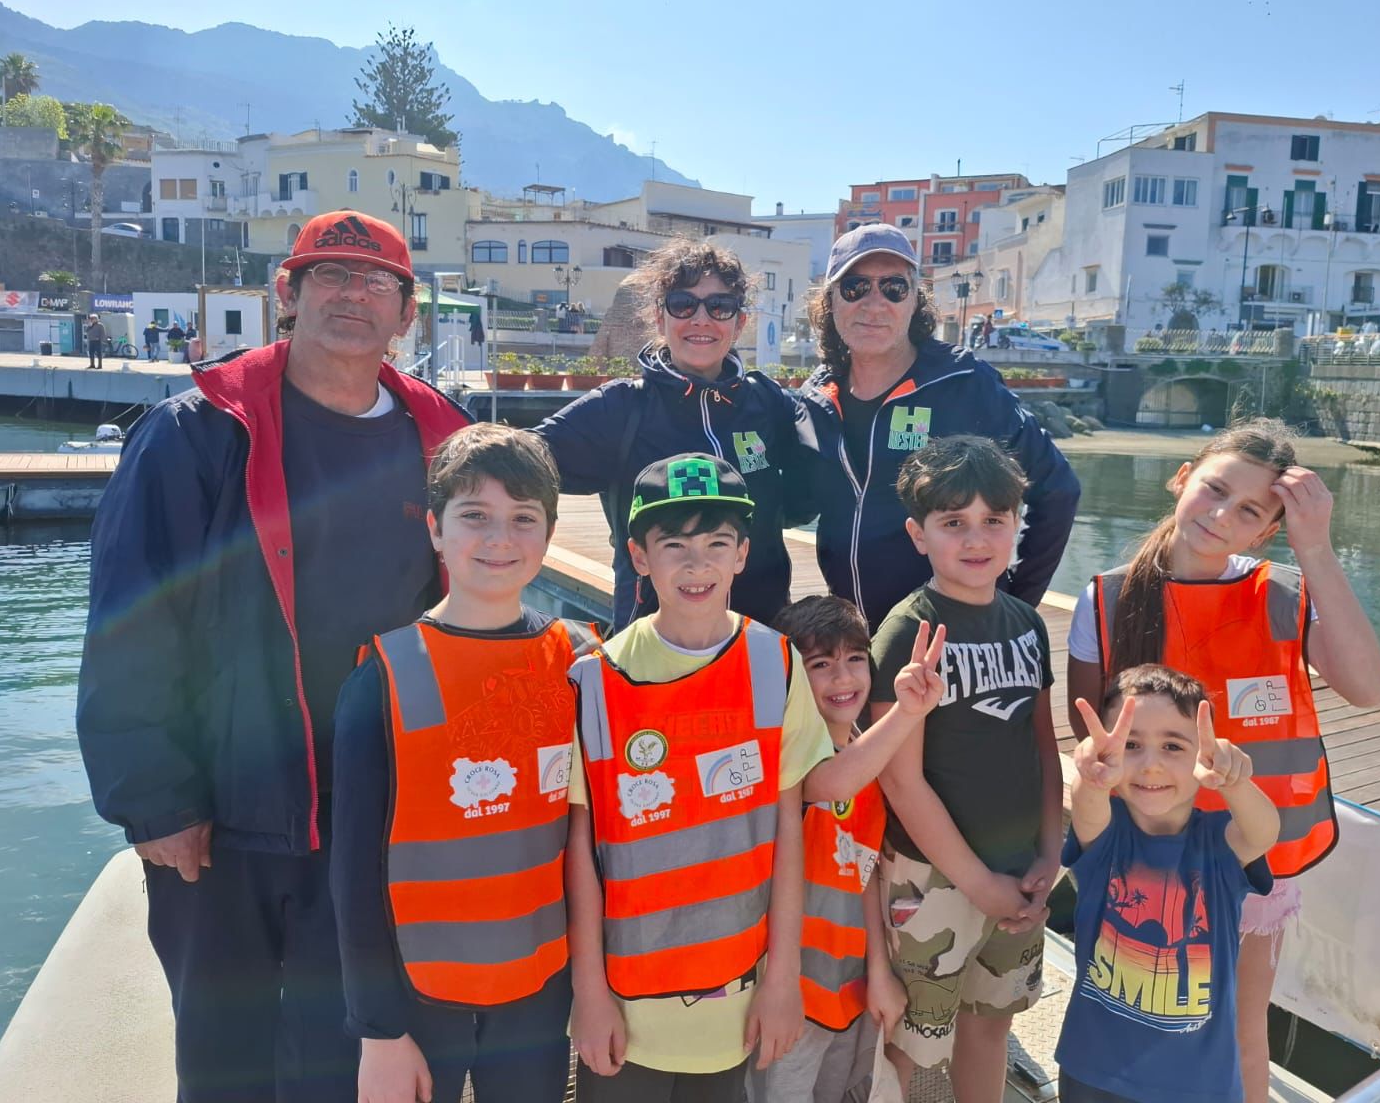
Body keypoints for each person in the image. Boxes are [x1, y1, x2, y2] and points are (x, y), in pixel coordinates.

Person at [76, 209, 469, 1102]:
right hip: (222, 814)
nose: (351, 295)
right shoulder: (197, 432)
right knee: (225, 1059)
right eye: (329, 275)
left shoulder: (444, 438)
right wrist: (155, 802)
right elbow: (128, 622)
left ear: (406, 314)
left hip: (373, 815)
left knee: (345, 1053)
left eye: (376, 283)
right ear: (286, 295)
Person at [564, 454, 933, 1103]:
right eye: (673, 545)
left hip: (738, 993)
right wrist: (588, 993)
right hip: (627, 994)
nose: (696, 564)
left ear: (742, 554)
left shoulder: (774, 662)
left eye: (716, 544)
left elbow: (795, 821)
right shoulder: (597, 678)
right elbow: (582, 850)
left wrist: (782, 981)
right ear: (638, 556)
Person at [1063, 417, 1380, 1103]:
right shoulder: (1108, 597)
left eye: (1249, 511)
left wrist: (1318, 548)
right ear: (1182, 480)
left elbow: (1368, 688)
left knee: (1243, 1034)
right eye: (1214, 490)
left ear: (1267, 531)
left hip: (1246, 855)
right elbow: (1088, 730)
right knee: (1139, 1018)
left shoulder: (1283, 592)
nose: (1222, 516)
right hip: (1143, 863)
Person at [331, 425, 598, 1103]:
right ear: (435, 530)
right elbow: (354, 872)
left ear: (549, 533)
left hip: (540, 991)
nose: (500, 539)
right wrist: (379, 1032)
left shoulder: (580, 660)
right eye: (474, 516)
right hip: (420, 998)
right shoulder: (386, 675)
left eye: (522, 519)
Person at [869, 435, 1063, 1102]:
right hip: (935, 881)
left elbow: (1044, 747)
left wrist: (1049, 853)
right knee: (915, 1041)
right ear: (919, 535)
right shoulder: (907, 631)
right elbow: (901, 779)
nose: (976, 539)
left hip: (1019, 870)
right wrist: (977, 883)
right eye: (954, 523)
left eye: (994, 521)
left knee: (991, 1026)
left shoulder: (1028, 625)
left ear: (1015, 526)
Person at [796, 223, 1080, 630]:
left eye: (894, 288)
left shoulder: (964, 383)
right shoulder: (817, 397)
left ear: (915, 301)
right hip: (855, 641)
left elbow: (1058, 489)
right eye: (855, 287)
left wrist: (1016, 602)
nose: (874, 303)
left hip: (952, 638)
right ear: (830, 302)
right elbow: (798, 504)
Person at [534, 239, 809, 631]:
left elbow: (814, 485)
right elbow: (520, 461)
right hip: (653, 650)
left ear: (739, 322)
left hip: (758, 641)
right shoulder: (620, 408)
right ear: (659, 318)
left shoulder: (768, 403)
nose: (701, 319)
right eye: (683, 304)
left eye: (720, 306)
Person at [1056, 665, 1278, 1103]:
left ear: (1203, 755)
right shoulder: (1105, 837)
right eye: (1131, 744)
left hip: (1200, 1081)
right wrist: (1091, 776)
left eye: (1173, 745)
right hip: (1093, 1071)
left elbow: (1262, 833)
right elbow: (1087, 806)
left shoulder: (1217, 844)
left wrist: (1237, 783)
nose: (1151, 763)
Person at [746, 595, 924, 1103]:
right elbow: (829, 784)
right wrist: (910, 712)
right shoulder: (785, 762)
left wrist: (878, 971)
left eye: (854, 659)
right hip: (787, 994)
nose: (843, 679)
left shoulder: (864, 751)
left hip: (848, 983)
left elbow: (861, 869)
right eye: (820, 665)